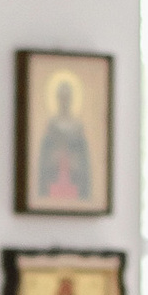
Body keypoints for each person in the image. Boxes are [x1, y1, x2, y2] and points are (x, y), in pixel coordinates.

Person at [33, 75, 95, 206]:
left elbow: (84, 161)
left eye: (67, 97)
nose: (64, 101)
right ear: (57, 99)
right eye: (62, 97)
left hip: (74, 178)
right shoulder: (51, 125)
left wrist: (75, 162)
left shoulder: (78, 126)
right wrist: (54, 159)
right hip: (54, 177)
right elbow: (44, 159)